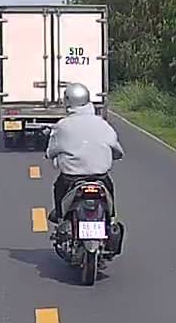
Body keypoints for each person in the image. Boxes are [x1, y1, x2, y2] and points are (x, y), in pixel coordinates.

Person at [46, 82, 124, 225]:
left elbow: (51, 151)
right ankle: (111, 219)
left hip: (70, 178)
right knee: (109, 187)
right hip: (100, 177)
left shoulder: (62, 126)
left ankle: (60, 217)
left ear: (67, 101)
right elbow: (117, 149)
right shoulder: (102, 124)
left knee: (58, 187)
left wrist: (52, 155)